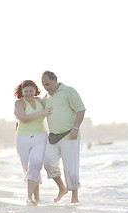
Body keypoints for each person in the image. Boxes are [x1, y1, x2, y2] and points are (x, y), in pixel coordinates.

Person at [41, 71, 86, 203]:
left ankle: (74, 198)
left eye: (48, 84)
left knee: (71, 170)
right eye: (44, 85)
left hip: (69, 135)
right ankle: (62, 188)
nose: (46, 87)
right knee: (48, 162)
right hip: (53, 137)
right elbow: (38, 111)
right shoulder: (46, 98)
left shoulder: (68, 91)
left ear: (55, 79)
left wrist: (75, 128)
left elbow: (80, 109)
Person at [14, 80, 53, 205]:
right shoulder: (19, 103)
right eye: (26, 91)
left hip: (40, 137)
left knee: (35, 165)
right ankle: (37, 197)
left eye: (31, 91)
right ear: (22, 92)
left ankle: (29, 197)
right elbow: (24, 119)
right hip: (22, 139)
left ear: (35, 90)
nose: (29, 93)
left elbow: (53, 108)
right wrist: (42, 112)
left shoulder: (41, 101)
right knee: (28, 169)